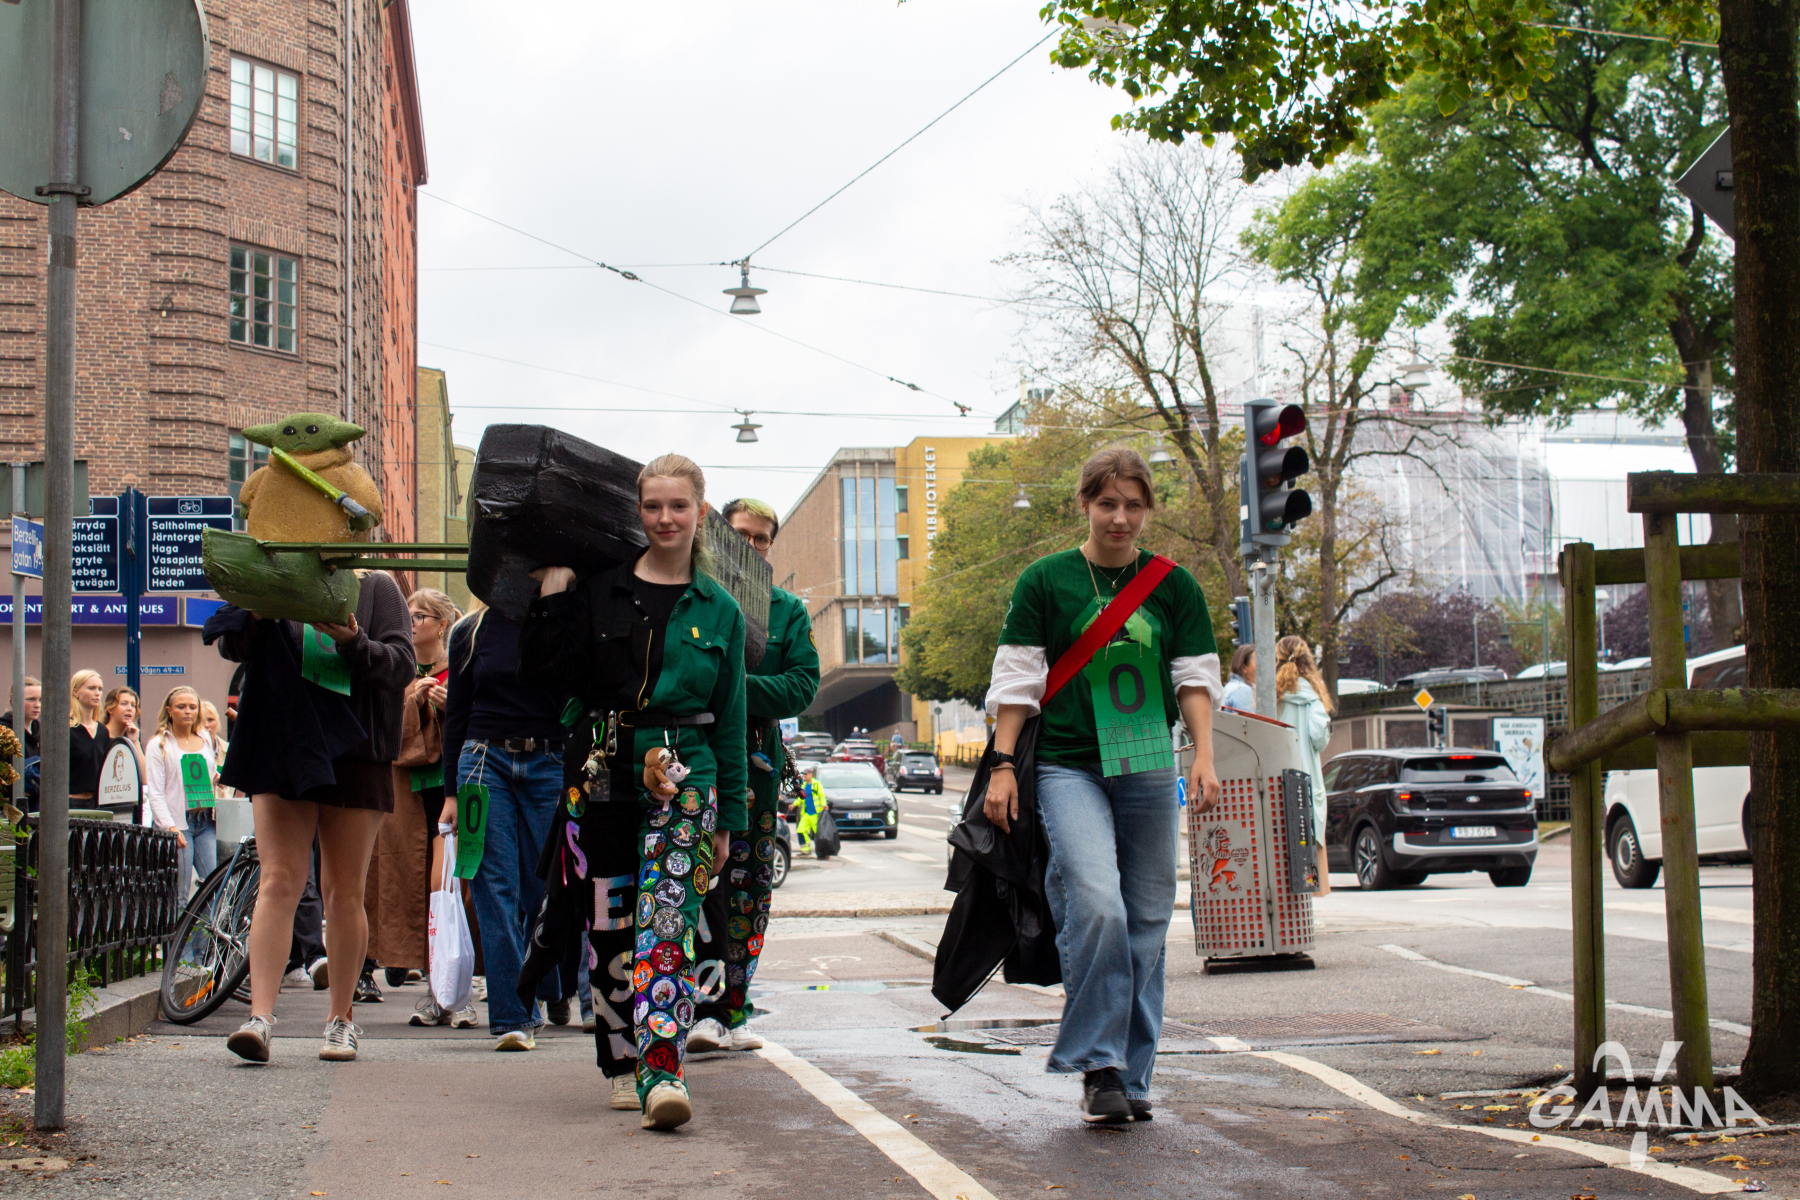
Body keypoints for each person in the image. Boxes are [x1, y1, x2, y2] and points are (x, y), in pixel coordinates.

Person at [983, 446, 1223, 1125]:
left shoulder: (1174, 585)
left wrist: (1204, 755)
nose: (1121, 518)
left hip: (1148, 763)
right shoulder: (1046, 580)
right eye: (1108, 503)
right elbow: (1018, 683)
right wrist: (1002, 765)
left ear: (1148, 510)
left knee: (1146, 922)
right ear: (1084, 503)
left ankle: (1130, 1075)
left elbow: (1194, 679)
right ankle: (1099, 1063)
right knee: (1096, 904)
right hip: (1068, 765)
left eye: (1134, 506)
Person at [519, 453, 748, 1132]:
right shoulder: (599, 591)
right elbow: (548, 676)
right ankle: (621, 1063)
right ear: (638, 511)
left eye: (678, 506)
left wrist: (728, 818)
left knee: (668, 923)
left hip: (688, 779)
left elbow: (731, 720)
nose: (665, 518)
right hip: (604, 772)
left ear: (700, 513)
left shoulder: (721, 609)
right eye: (652, 506)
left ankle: (663, 1072)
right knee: (611, 925)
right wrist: (554, 593)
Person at [214, 568, 414, 1064]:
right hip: (284, 742)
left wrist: (353, 641)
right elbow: (232, 646)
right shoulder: (277, 575)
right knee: (278, 880)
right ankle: (259, 1018)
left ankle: (341, 1019)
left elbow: (402, 665)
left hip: (358, 747)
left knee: (344, 889)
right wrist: (256, 611)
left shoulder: (376, 587)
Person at [688, 497, 819, 1055]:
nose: (751, 545)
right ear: (720, 534)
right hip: (694, 762)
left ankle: (732, 1011)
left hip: (758, 768)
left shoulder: (786, 610)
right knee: (697, 887)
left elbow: (802, 685)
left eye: (762, 537)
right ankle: (698, 1009)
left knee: (748, 893)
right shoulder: (695, 594)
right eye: (741, 534)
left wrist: (733, 687)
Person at [441, 597, 568, 1047]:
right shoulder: (470, 630)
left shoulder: (563, 621)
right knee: (493, 886)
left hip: (550, 762)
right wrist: (450, 794)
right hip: (482, 763)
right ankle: (514, 1015)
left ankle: (546, 983)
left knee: (545, 887)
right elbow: (456, 714)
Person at [361, 587, 459, 1007]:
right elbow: (380, 723)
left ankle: (446, 975)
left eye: (420, 616)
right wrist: (412, 702)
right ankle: (389, 960)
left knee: (446, 883)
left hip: (448, 788)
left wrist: (449, 706)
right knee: (394, 875)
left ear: (441, 624)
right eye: (409, 616)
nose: (412, 623)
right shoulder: (397, 666)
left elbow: (474, 721)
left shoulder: (460, 665)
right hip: (405, 787)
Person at [143, 686, 221, 895]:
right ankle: (180, 920)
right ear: (169, 710)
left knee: (213, 887)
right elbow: (156, 792)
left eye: (193, 707)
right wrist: (169, 827)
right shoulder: (159, 744)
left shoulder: (205, 738)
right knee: (179, 893)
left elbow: (210, 771)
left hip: (205, 820)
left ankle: (205, 920)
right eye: (181, 707)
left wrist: (216, 778)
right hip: (178, 822)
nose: (188, 711)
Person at [1274, 636, 1334, 898]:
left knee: (1280, 843)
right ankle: (1308, 899)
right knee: (1308, 839)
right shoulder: (1312, 698)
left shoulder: (1271, 696)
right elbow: (1319, 737)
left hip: (1276, 778)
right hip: (1306, 782)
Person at [67, 670, 114, 809]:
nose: (97, 693)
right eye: (91, 688)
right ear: (75, 692)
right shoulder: (66, 729)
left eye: (100, 689)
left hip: (98, 802)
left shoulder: (103, 731)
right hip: (72, 802)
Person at [2, 677, 40, 807]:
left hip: (39, 806)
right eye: (31, 699)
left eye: (40, 700)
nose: (37, 705)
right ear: (14, 702)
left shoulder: (42, 732)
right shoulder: (4, 733)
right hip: (10, 806)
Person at [1221, 645, 1255, 711]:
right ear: (1244, 667)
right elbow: (1247, 718)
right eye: (1257, 662)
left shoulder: (1232, 687)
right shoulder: (1242, 690)